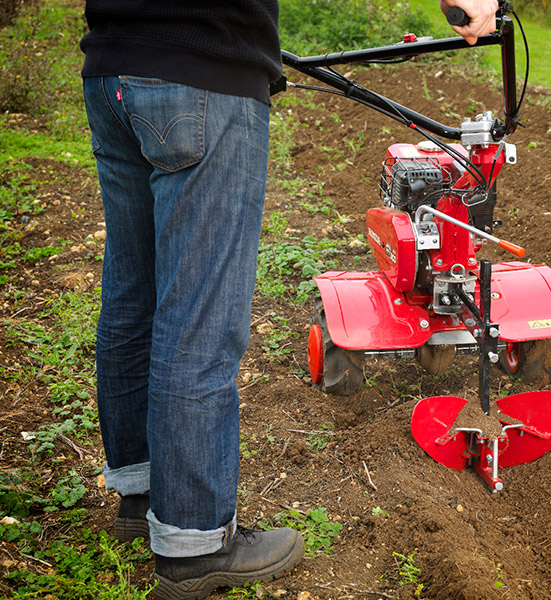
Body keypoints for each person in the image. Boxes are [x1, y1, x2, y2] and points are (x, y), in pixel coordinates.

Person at [80, 1, 498, 598]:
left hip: (113, 65)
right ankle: (193, 542)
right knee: (198, 317)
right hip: (201, 72)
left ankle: (140, 494)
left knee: (133, 295)